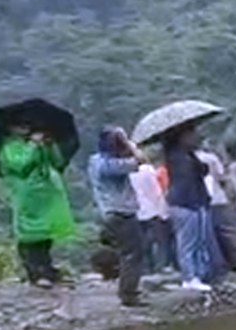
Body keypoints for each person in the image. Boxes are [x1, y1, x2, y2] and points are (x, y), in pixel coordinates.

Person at [0, 126, 72, 287]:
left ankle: (47, 268)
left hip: (45, 194)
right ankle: (35, 272)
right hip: (26, 195)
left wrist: (50, 146)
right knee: (29, 234)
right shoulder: (9, 148)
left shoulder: (39, 144)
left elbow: (57, 162)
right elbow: (21, 165)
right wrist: (33, 146)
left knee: (45, 233)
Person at [87, 127, 149, 306]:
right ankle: (128, 293)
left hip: (109, 212)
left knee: (124, 250)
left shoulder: (95, 161)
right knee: (133, 253)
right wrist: (130, 144)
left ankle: (119, 281)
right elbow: (141, 160)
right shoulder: (111, 165)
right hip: (121, 212)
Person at [160, 124, 221, 292]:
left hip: (194, 202)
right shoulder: (177, 157)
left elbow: (203, 170)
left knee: (198, 240)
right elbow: (190, 177)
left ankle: (199, 274)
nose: (196, 137)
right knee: (188, 242)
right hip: (185, 202)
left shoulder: (187, 155)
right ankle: (189, 276)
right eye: (191, 134)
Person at [199, 144, 236, 274]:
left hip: (199, 201)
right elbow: (222, 177)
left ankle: (215, 265)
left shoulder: (187, 158)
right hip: (217, 199)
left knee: (207, 236)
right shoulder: (211, 158)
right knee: (227, 233)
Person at [130, 154, 172, 274]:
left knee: (143, 242)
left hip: (135, 211)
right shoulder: (148, 170)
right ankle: (161, 267)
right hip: (152, 210)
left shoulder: (127, 172)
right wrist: (163, 210)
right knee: (161, 242)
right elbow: (156, 191)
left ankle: (147, 268)